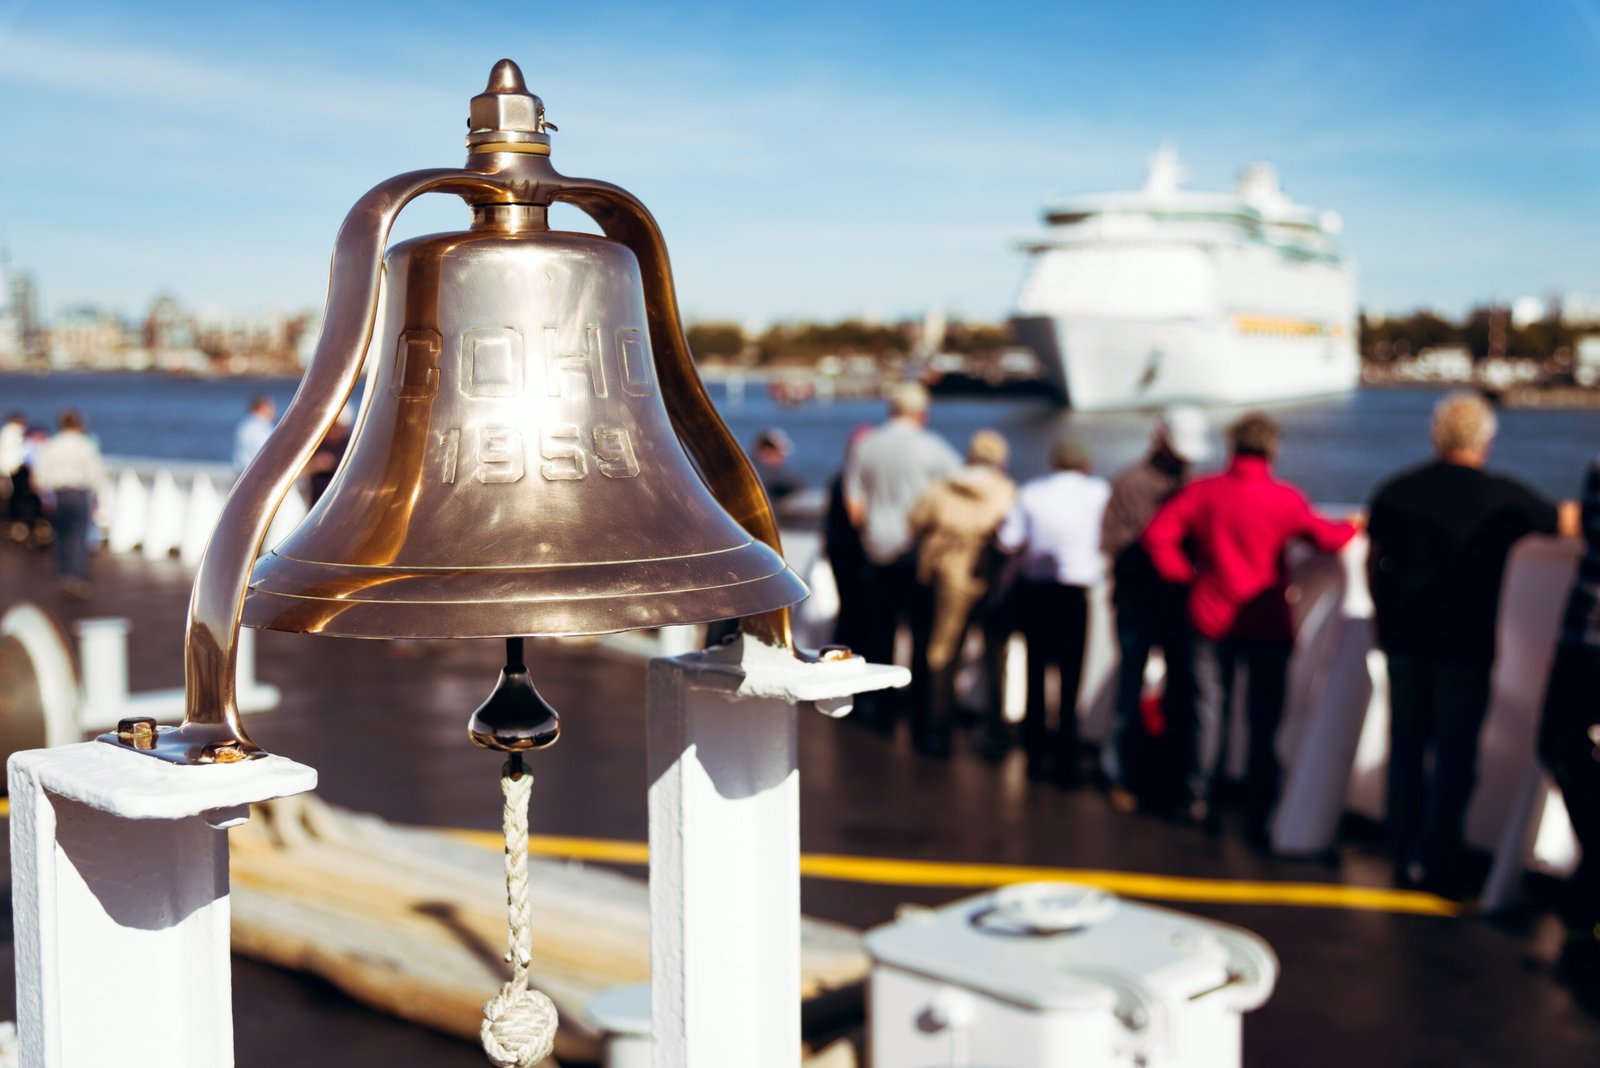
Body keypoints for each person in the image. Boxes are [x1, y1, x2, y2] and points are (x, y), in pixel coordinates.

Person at [1367, 391, 1576, 892]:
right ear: (1487, 438)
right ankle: (1439, 856)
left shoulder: (1397, 491)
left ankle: (1402, 847)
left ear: (1436, 435)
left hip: (1405, 643)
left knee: (1407, 748)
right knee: (1455, 756)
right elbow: (1566, 522)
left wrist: (1385, 621)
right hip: (1465, 648)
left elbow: (1374, 562)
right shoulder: (1500, 497)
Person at [1144, 412, 1356, 848]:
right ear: (1272, 450)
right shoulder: (1284, 498)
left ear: (1231, 447)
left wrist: (1185, 577)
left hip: (1209, 617)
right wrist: (1352, 526)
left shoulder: (1205, 492)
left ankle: (1200, 797)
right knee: (1263, 720)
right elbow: (1328, 538)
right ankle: (1261, 804)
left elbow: (1158, 535)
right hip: (1266, 625)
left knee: (1208, 712)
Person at [1099, 406, 1211, 816]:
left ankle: (1168, 773)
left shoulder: (1194, 485)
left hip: (1180, 606)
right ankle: (1121, 775)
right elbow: (1111, 541)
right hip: (1139, 603)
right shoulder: (1129, 483)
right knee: (1130, 690)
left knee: (1182, 693)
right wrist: (1157, 552)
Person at [844, 381, 960, 731]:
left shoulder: (866, 447)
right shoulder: (935, 449)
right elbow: (955, 498)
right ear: (922, 412)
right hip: (919, 556)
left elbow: (855, 510)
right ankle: (922, 716)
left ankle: (879, 713)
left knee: (879, 634)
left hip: (877, 553)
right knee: (923, 638)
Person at [996, 436, 1110, 786]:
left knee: (1036, 670)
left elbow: (1008, 540)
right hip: (1075, 593)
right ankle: (1066, 757)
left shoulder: (1031, 493)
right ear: (1085, 464)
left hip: (1036, 591)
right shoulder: (1099, 493)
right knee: (1071, 674)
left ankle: (1034, 752)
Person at [906, 429, 1017, 757]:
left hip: (947, 576)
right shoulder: (1005, 490)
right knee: (994, 653)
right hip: (990, 576)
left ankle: (938, 731)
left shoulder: (942, 487)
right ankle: (996, 731)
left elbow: (915, 521)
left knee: (942, 651)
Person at [1538, 457, 1600, 981]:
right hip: (1583, 656)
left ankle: (1583, 909)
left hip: (1582, 654)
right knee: (1564, 756)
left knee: (1564, 756)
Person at [33, 409, 106, 599]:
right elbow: (95, 474)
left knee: (60, 534)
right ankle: (77, 577)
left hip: (59, 495)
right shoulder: (85, 445)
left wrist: (44, 496)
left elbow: (40, 475)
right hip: (79, 494)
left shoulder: (52, 445)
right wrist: (96, 497)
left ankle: (63, 573)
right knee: (80, 536)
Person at [824, 425, 874, 653]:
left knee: (849, 612)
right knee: (859, 613)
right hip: (856, 557)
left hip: (841, 553)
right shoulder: (852, 482)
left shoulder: (838, 480)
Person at [751, 427, 804, 507]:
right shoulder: (767, 474)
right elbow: (797, 484)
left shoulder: (747, 469)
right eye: (780, 455)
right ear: (767, 451)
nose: (783, 460)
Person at [234, 394, 277, 472]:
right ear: (263, 408)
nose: (274, 411)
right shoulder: (262, 426)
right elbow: (269, 452)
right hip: (257, 473)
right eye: (271, 407)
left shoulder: (245, 425)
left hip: (242, 472)